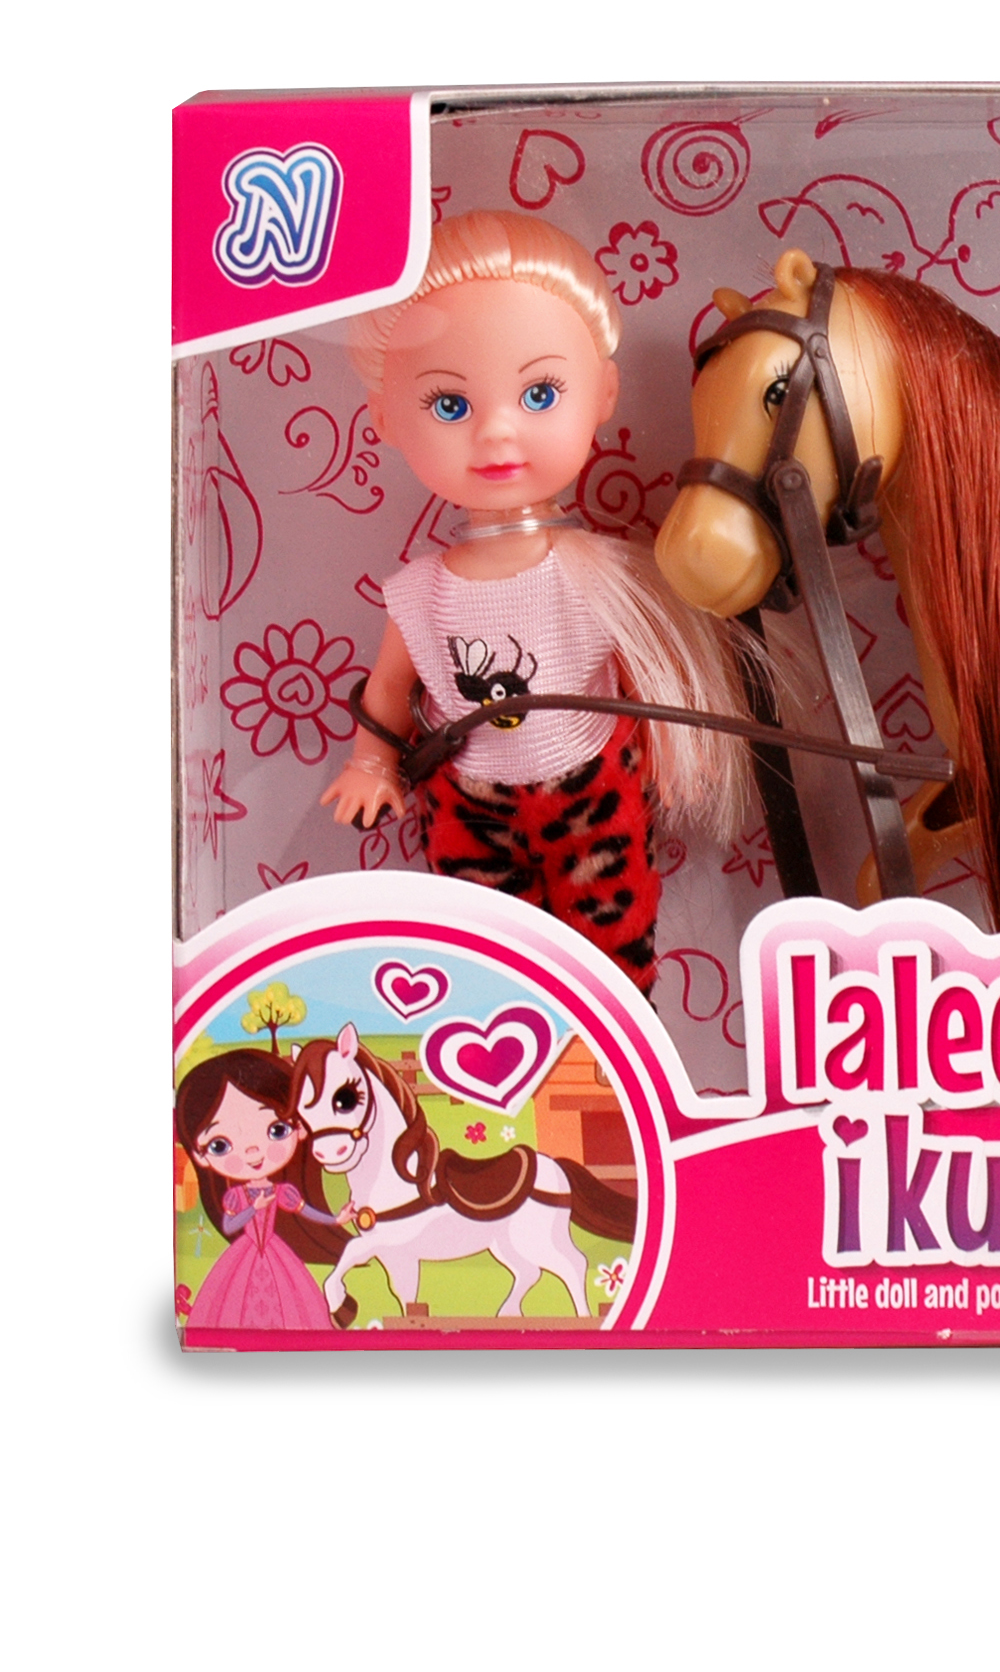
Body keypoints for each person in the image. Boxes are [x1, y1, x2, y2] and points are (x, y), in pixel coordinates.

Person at [321, 211, 755, 993]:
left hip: (594, 789)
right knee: (488, 962)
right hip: (468, 803)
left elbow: (647, 677)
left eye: (540, 393)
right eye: (449, 406)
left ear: (603, 392)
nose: (497, 434)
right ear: (383, 417)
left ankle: (618, 1048)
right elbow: (389, 689)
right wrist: (370, 764)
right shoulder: (421, 591)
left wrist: (672, 756)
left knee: (612, 953)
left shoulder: (600, 571)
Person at [175, 1048, 349, 1331]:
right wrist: (251, 1209)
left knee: (295, 1305)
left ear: (300, 1128)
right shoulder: (236, 1196)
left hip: (276, 1254)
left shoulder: (282, 1192)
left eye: (277, 1130)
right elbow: (229, 1224)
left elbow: (306, 1211)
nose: (253, 1151)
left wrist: (336, 1219)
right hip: (244, 1254)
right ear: (200, 1156)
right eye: (220, 1145)